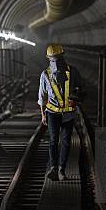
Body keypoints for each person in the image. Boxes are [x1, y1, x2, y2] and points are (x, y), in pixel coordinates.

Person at [37, 44, 82, 181]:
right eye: (52, 59)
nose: (55, 62)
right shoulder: (45, 74)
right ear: (48, 59)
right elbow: (42, 96)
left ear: (62, 57)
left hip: (68, 114)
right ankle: (54, 168)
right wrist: (43, 114)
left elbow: (81, 90)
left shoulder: (73, 72)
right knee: (53, 141)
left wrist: (76, 98)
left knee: (66, 142)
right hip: (52, 112)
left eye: (56, 58)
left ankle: (62, 169)